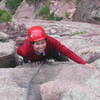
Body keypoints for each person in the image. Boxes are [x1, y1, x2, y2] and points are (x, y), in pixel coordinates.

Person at [17, 26, 95, 68]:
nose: (41, 46)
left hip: (49, 53)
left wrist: (84, 63)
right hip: (33, 57)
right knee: (28, 62)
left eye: (43, 42)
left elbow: (66, 51)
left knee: (64, 60)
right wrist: (31, 60)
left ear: (46, 40)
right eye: (37, 44)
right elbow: (19, 52)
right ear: (31, 44)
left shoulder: (51, 41)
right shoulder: (25, 50)